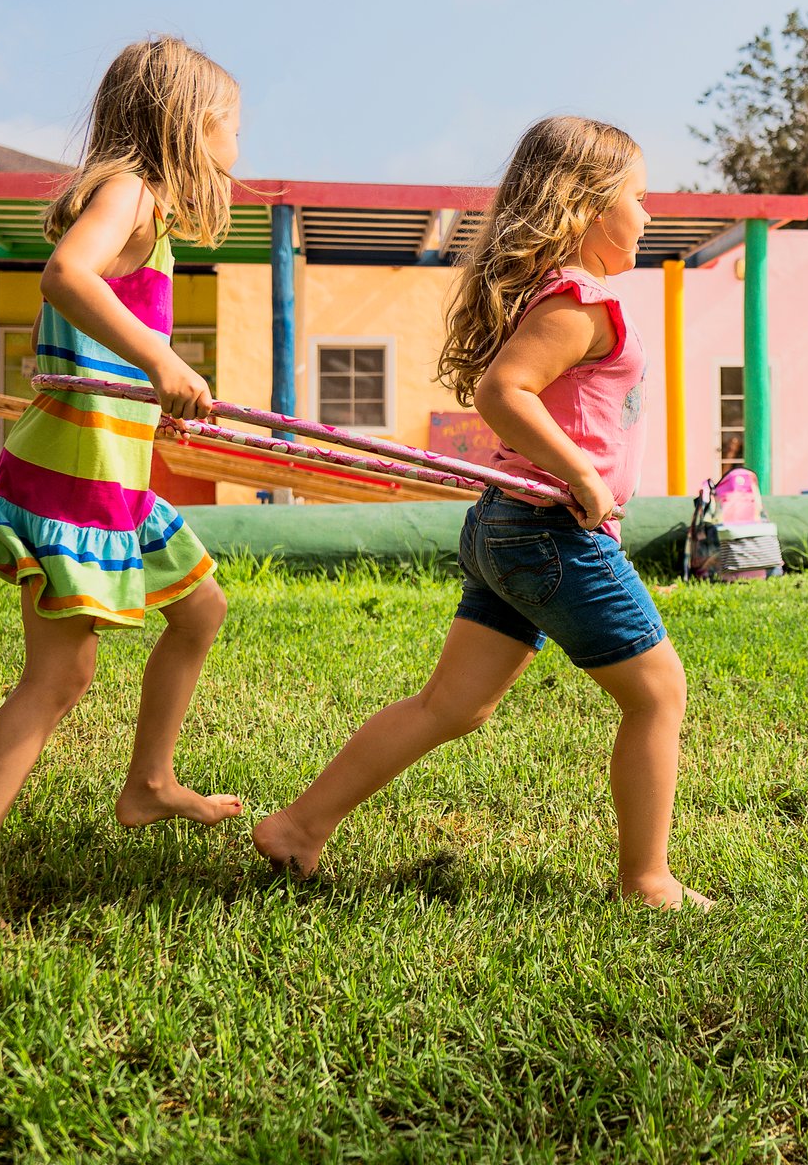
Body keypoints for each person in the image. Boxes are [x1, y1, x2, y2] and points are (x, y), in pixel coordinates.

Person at [254, 116, 708, 911]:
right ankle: (648, 881)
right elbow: (505, 392)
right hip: (550, 531)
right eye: (640, 196)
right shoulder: (582, 302)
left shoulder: (558, 296)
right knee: (658, 692)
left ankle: (299, 825)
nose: (650, 213)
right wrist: (579, 473)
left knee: (453, 705)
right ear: (588, 204)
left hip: (506, 526)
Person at [0, 37, 245, 933]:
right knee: (57, 679)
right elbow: (66, 276)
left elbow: (104, 333)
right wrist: (164, 360)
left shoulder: (154, 215)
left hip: (114, 476)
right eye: (231, 125)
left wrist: (154, 397)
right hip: (72, 481)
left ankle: (150, 782)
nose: (239, 146)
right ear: (189, 123)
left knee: (200, 611)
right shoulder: (128, 191)